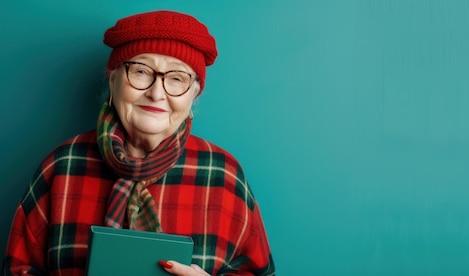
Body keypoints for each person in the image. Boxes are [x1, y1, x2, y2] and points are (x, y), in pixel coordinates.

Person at [2, 10, 274, 276]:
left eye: (177, 78)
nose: (156, 93)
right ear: (113, 80)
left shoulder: (223, 173)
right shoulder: (63, 165)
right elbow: (18, 269)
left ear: (193, 95)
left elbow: (258, 271)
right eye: (142, 72)